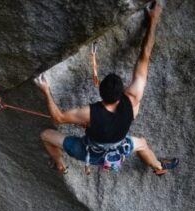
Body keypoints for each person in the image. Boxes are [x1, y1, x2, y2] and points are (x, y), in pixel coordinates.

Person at [35, 0, 178, 175]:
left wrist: (45, 90)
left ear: (100, 92)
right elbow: (145, 56)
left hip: (88, 153)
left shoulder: (89, 113)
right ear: (123, 91)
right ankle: (158, 166)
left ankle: (60, 164)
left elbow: (57, 118)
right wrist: (154, 19)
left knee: (45, 135)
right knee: (142, 144)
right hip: (120, 149)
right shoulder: (133, 99)